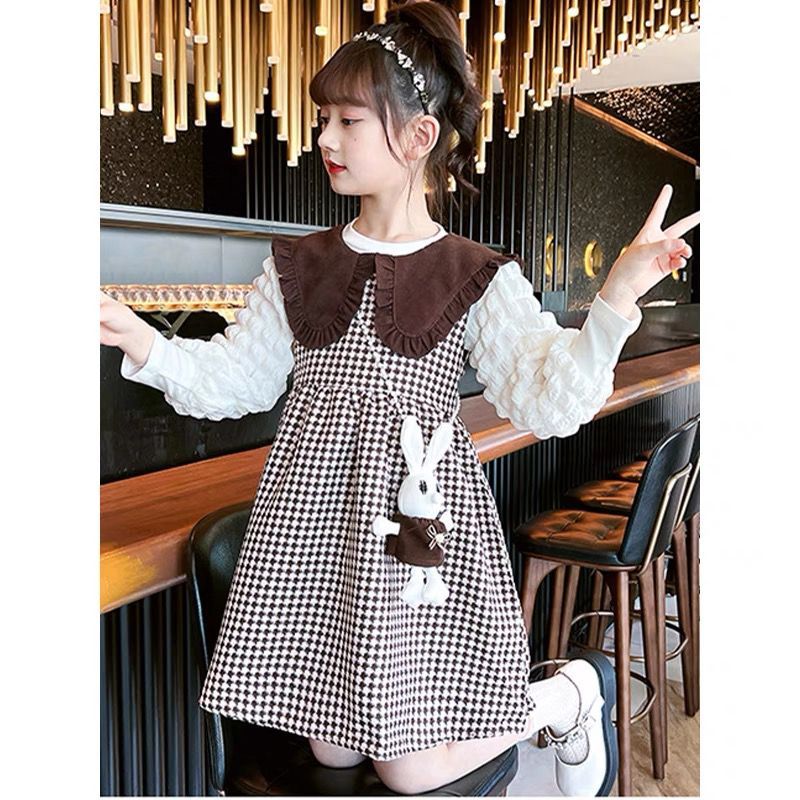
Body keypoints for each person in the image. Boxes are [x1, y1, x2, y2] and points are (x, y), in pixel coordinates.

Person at [99, 2, 699, 795]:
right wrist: (141, 340)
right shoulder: (296, 265)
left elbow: (547, 403)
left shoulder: (476, 272)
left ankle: (569, 694)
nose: (324, 138)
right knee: (332, 753)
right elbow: (238, 380)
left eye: (348, 120)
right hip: (315, 537)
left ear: (418, 138)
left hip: (415, 532)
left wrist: (615, 297)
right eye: (324, 118)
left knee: (407, 769)